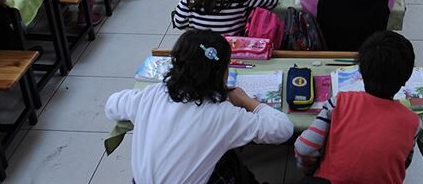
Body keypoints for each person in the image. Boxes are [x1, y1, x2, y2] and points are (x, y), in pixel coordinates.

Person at [105, 29, 293, 183]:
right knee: (229, 161)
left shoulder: (152, 95)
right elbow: (283, 129)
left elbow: (111, 105)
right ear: (222, 73)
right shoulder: (223, 115)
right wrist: (246, 101)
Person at [294, 31, 422, 183]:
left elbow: (305, 148)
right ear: (405, 80)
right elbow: (403, 162)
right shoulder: (413, 123)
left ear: (361, 71)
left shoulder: (340, 102)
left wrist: (310, 172)